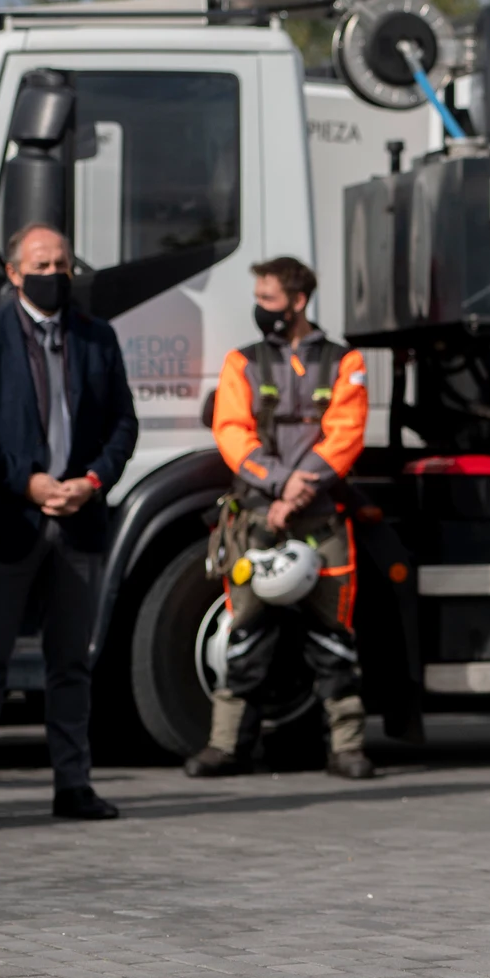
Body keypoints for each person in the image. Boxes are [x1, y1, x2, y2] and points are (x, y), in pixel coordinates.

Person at [0, 223, 137, 825]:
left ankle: (73, 784)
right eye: (43, 265)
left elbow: (124, 425)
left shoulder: (98, 338)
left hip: (76, 520)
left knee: (71, 659)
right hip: (5, 519)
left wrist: (93, 481)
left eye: (63, 264)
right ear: (16, 273)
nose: (55, 274)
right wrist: (24, 480)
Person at [185, 256, 374, 780]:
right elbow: (231, 431)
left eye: (268, 299)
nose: (260, 308)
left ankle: (348, 747)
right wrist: (277, 484)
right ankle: (226, 746)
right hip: (256, 516)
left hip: (320, 518)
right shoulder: (240, 364)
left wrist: (298, 487)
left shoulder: (345, 361)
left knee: (334, 638)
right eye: (259, 298)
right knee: (244, 632)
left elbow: (346, 433)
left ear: (298, 300)